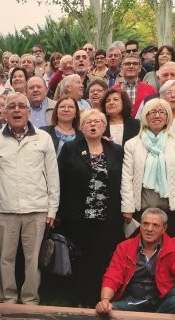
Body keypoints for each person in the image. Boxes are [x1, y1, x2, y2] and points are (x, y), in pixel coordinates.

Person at [0, 92, 59, 305]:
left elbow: (52, 175)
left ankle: (30, 300)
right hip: (4, 209)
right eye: (12, 106)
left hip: (37, 208)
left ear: (28, 111)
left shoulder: (43, 138)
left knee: (32, 260)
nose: (17, 110)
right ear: (5, 112)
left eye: (21, 106)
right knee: (5, 259)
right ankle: (7, 299)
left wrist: (52, 209)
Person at [57, 109, 124, 307]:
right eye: (88, 122)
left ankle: (96, 298)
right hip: (77, 215)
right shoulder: (70, 148)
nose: (93, 125)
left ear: (104, 127)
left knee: (99, 258)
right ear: (81, 126)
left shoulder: (116, 150)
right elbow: (60, 179)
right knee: (78, 259)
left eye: (97, 122)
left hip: (106, 216)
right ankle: (77, 299)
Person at [96, 208, 175, 320]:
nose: (149, 229)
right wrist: (105, 300)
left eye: (155, 225)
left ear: (164, 228)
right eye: (145, 224)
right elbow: (112, 275)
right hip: (133, 302)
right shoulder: (125, 247)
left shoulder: (174, 246)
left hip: (162, 302)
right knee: (106, 311)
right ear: (140, 226)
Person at [121, 98, 175, 238]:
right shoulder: (132, 144)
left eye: (162, 112)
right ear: (145, 116)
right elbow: (127, 179)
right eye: (152, 112)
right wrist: (127, 208)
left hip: (171, 210)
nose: (157, 115)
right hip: (140, 210)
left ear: (168, 117)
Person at [113, 53, 156, 117]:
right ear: (121, 68)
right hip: (120, 126)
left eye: (135, 64)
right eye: (127, 64)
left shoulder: (150, 90)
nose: (131, 66)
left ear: (140, 68)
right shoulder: (113, 90)